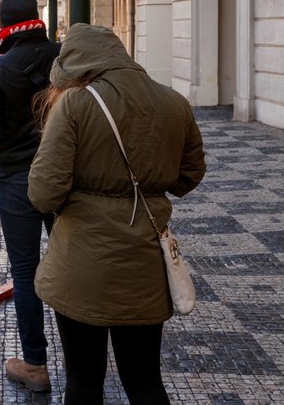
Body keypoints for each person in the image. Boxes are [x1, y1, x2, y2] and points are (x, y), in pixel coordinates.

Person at [28, 24, 206, 404]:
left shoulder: (74, 104)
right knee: (144, 380)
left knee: (83, 382)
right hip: (144, 260)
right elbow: (190, 175)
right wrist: (149, 186)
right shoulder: (174, 102)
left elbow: (43, 193)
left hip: (82, 263)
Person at [0, 0, 60, 393]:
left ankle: (36, 365)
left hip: (20, 180)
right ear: (37, 17)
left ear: (3, 23)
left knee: (25, 272)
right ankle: (83, 354)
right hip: (64, 176)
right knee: (75, 260)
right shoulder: (63, 57)